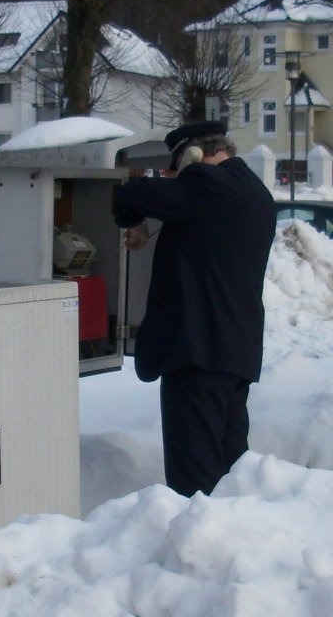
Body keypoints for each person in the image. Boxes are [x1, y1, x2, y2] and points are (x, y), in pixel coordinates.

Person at [112, 120, 276, 497]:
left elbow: (132, 193)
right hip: (235, 353)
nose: (172, 176)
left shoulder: (207, 185)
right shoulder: (254, 191)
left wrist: (133, 222)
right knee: (231, 468)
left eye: (174, 166)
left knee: (194, 477)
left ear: (193, 157)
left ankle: (196, 549)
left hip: (198, 353)